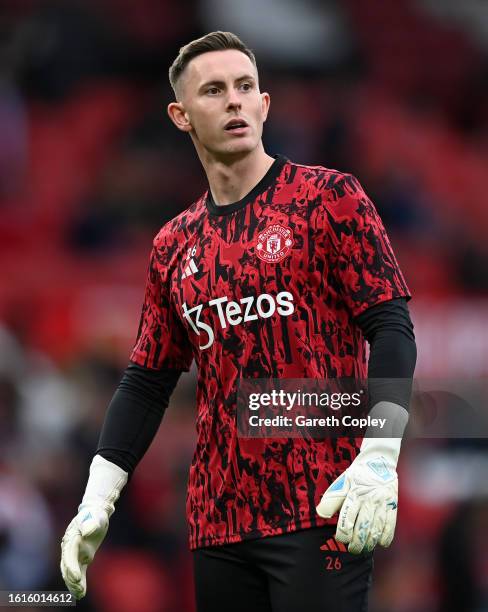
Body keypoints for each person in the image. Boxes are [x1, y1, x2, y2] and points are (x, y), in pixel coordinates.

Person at [60, 31, 417, 611]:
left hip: (322, 503)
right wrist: (98, 496)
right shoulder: (174, 244)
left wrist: (380, 455)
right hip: (218, 523)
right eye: (214, 90)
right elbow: (147, 381)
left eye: (245, 87)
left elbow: (392, 328)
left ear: (264, 104)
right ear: (181, 116)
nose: (233, 101)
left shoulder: (329, 199)